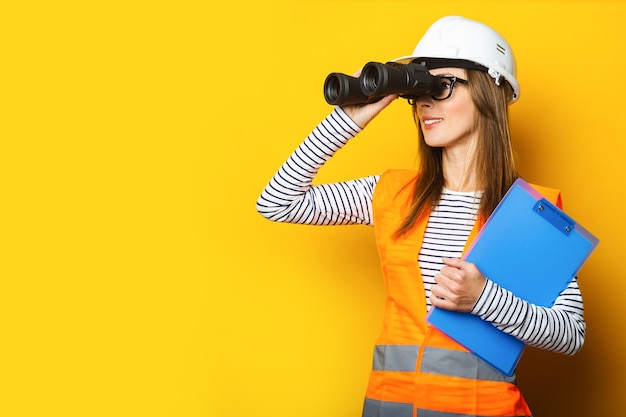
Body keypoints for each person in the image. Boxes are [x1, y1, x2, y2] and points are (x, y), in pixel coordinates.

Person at [256, 15, 585, 417]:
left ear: (488, 93)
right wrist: (347, 118)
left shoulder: (531, 213)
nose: (424, 101)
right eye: (419, 90)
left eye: (441, 85)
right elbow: (277, 201)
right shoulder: (393, 194)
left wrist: (485, 298)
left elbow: (570, 334)